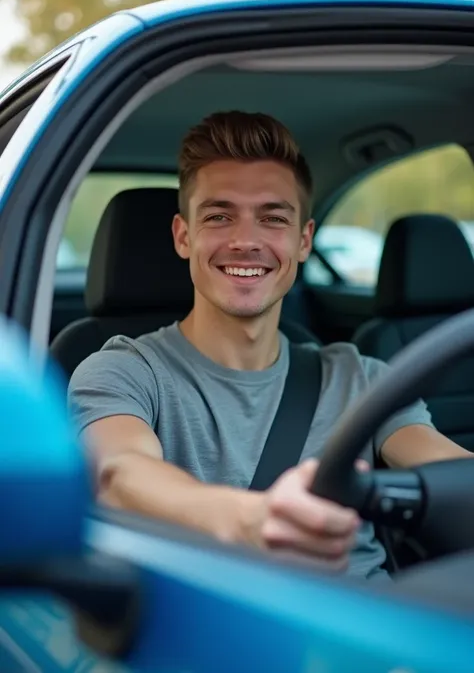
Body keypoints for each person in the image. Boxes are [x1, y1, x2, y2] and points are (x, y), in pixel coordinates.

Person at [68, 111, 472, 579]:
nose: (245, 240)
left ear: (304, 241)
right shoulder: (122, 372)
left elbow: (445, 464)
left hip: (376, 629)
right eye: (219, 216)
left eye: (272, 218)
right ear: (184, 236)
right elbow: (118, 473)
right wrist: (251, 522)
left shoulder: (362, 378)